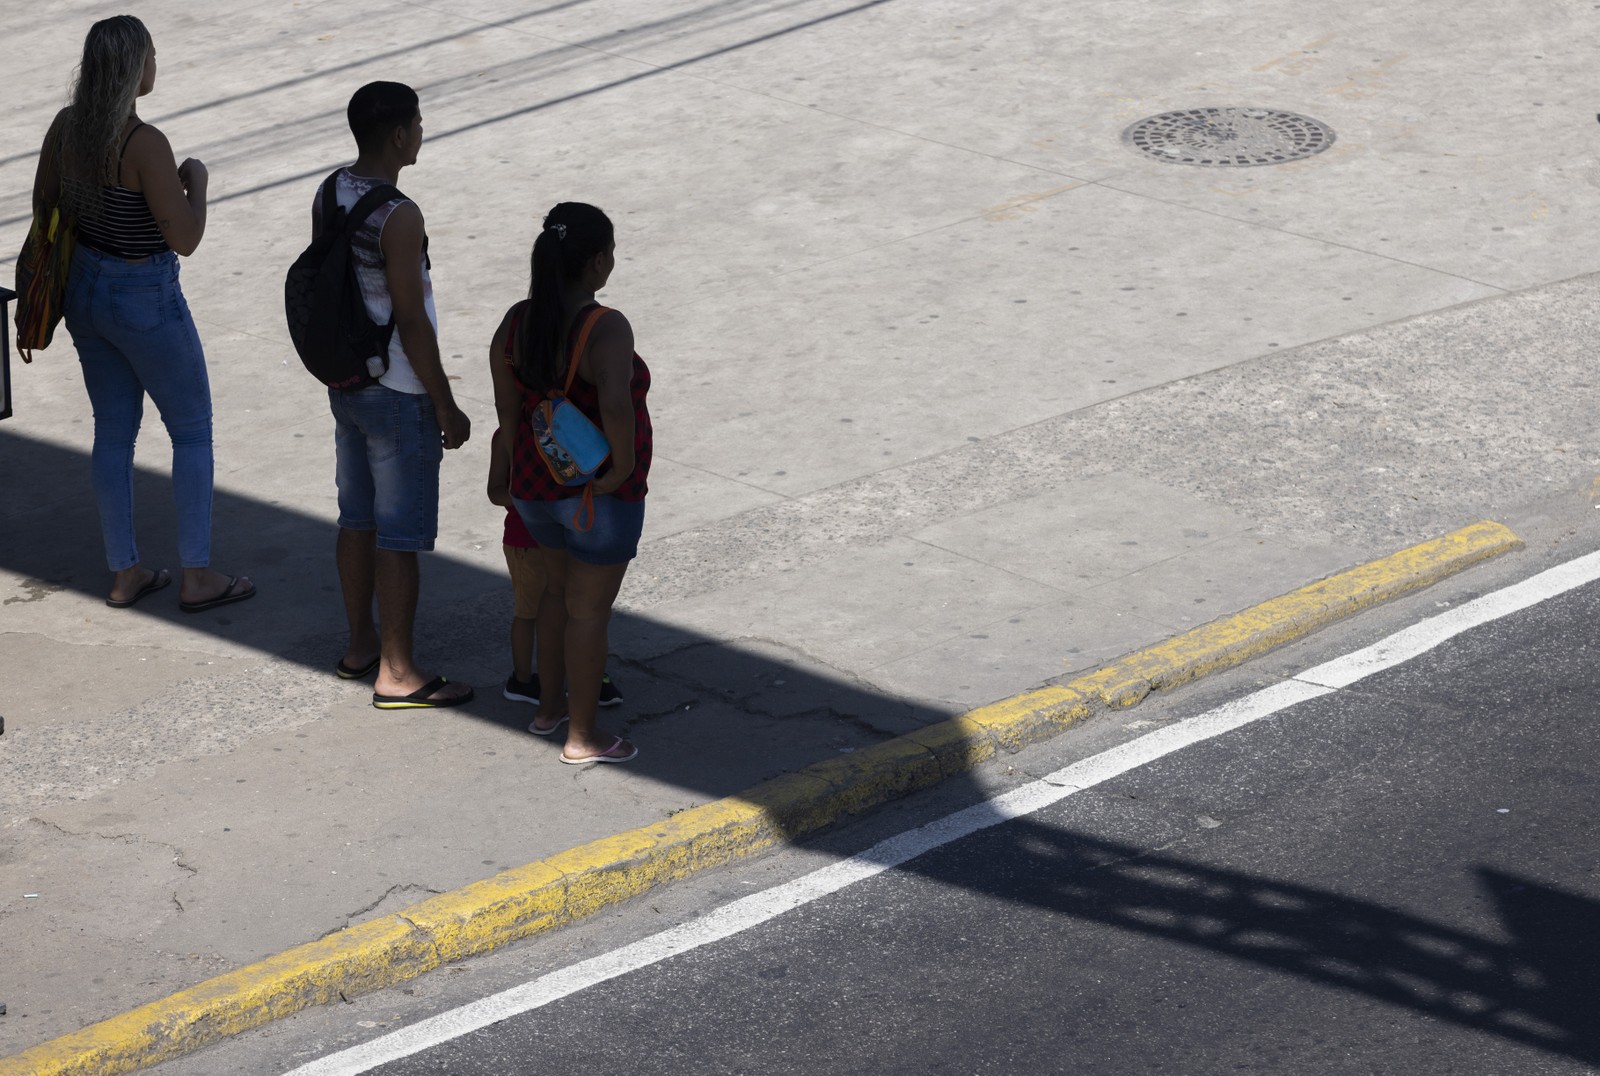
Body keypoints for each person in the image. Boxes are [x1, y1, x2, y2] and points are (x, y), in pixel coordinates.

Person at [35, 15, 253, 612]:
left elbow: (46, 202)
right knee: (191, 430)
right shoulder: (144, 143)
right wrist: (197, 185)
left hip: (84, 289)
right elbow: (183, 237)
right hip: (143, 295)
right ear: (136, 67)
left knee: (113, 431)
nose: (157, 65)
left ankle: (125, 570)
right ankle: (198, 575)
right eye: (152, 56)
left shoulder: (65, 128)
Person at [319, 81, 473, 710]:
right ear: (400, 135)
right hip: (399, 390)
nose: (421, 132)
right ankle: (399, 672)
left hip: (348, 380)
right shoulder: (400, 215)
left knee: (356, 518)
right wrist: (445, 402)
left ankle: (361, 646)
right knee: (400, 535)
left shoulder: (331, 189)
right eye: (418, 123)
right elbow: (412, 319)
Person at [490, 203, 650, 764]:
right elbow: (615, 405)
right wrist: (623, 471)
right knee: (589, 613)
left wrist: (507, 476)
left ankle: (548, 708)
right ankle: (583, 737)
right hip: (594, 497)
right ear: (597, 260)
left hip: (534, 490)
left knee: (558, 596)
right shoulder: (604, 326)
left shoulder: (516, 320)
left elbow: (507, 415)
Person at [486, 427, 625, 713]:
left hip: (570, 535)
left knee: (583, 607)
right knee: (528, 612)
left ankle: (589, 674)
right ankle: (522, 680)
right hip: (525, 541)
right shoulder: (507, 436)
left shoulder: (566, 426)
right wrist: (530, 498)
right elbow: (495, 491)